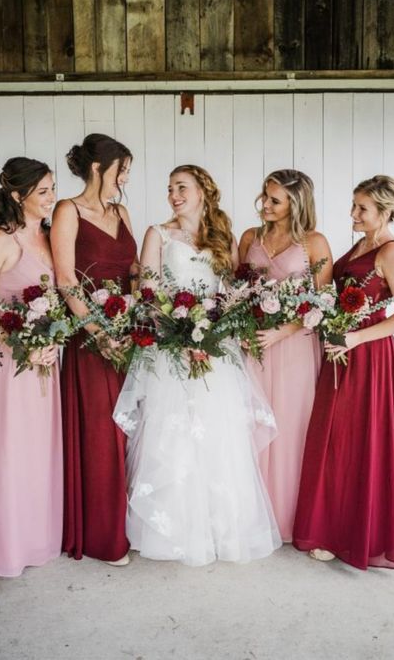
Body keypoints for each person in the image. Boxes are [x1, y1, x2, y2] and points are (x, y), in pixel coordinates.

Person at [113, 165, 282, 566]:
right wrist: (180, 333)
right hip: (171, 345)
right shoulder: (158, 232)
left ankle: (219, 527)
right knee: (172, 434)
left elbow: (234, 294)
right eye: (169, 188)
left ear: (203, 191)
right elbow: (149, 292)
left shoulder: (222, 234)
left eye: (181, 187)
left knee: (218, 433)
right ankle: (171, 530)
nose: (173, 194)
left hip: (215, 347)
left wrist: (211, 333)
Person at [293, 175, 394, 569]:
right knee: (335, 440)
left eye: (362, 208)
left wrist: (357, 340)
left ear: (384, 211)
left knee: (355, 441)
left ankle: (351, 534)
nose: (353, 214)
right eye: (353, 205)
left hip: (368, 357)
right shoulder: (364, 244)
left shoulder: (392, 250)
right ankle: (331, 524)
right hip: (339, 350)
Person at [0, 157, 62, 577]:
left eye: (53, 188)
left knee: (39, 449)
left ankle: (38, 535)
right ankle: (8, 544)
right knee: (13, 448)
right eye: (43, 191)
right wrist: (19, 345)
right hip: (13, 363)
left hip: (47, 360)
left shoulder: (48, 234)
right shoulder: (1, 239)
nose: (52, 197)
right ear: (18, 196)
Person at [51, 133, 138, 566]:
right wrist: (99, 330)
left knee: (133, 429)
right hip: (90, 336)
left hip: (129, 330)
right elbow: (65, 279)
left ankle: (133, 522)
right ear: (99, 168)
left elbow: (135, 268)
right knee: (102, 433)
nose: (126, 176)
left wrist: (146, 305)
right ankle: (104, 536)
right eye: (121, 168)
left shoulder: (121, 211)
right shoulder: (67, 210)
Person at [238, 169, 333, 542]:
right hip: (255, 345)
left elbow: (324, 301)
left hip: (294, 348)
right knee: (251, 427)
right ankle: (251, 517)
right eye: (264, 196)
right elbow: (234, 293)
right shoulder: (250, 237)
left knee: (293, 429)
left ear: (296, 204)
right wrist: (244, 330)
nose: (265, 204)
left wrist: (283, 330)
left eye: (275, 200)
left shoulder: (314, 242)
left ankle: (291, 520)